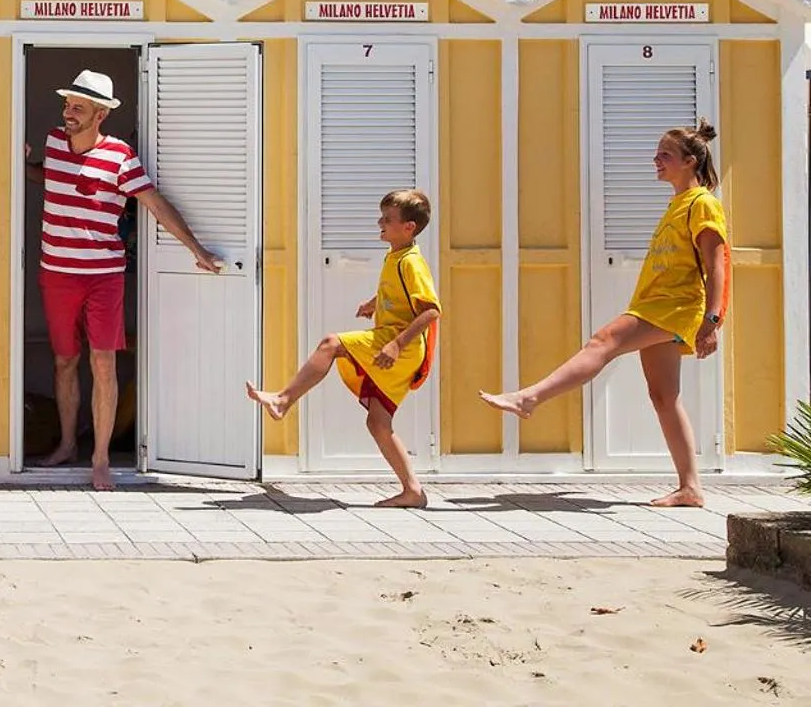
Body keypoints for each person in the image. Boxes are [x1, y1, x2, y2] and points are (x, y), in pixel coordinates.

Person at [482, 120, 728, 508]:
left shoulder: (703, 204)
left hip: (674, 305)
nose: (656, 160)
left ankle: (529, 398)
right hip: (655, 303)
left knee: (602, 341)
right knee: (664, 396)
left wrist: (712, 321)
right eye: (657, 153)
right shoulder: (678, 204)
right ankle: (691, 487)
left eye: (665, 154)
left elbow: (718, 264)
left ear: (690, 161)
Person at [28, 69, 223, 490]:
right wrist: (24, 163)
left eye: (78, 107)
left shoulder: (120, 156)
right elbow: (49, 175)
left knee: (103, 363)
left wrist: (197, 249)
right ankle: (66, 445)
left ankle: (99, 458)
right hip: (56, 271)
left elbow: (154, 203)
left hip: (103, 277)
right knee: (64, 361)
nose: (68, 112)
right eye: (67, 104)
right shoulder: (53, 143)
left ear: (100, 114)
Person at [246, 190, 441, 508]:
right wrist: (374, 303)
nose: (380, 222)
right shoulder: (395, 256)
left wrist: (395, 344)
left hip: (400, 345)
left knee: (331, 343)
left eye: (388, 219)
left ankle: (282, 400)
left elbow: (431, 311)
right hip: (393, 340)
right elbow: (401, 295)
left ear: (409, 227)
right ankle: (413, 491)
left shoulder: (412, 263)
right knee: (378, 422)